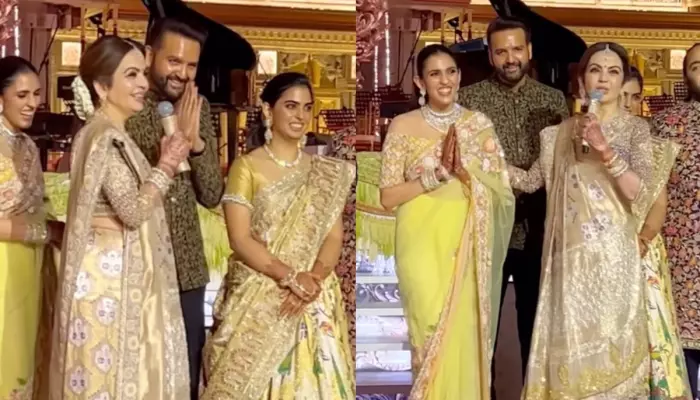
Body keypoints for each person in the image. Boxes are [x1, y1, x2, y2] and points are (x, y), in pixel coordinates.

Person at [48, 35, 191, 399]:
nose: (143, 83)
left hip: (114, 276)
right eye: (130, 75)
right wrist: (167, 165)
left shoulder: (112, 135)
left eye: (142, 73)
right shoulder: (104, 138)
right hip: (107, 283)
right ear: (101, 87)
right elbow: (133, 210)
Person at [508, 42, 654, 398]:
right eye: (595, 70)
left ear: (622, 82)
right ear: (580, 81)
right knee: (570, 359)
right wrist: (483, 159)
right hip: (569, 263)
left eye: (613, 71)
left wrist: (605, 149)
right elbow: (530, 181)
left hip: (614, 262)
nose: (603, 78)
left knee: (612, 355)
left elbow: (640, 192)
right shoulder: (555, 135)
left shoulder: (635, 130)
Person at [201, 72, 355, 399]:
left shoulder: (325, 171)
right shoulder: (247, 167)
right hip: (262, 294)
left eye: (307, 107)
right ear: (268, 110)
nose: (300, 115)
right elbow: (240, 239)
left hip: (313, 297)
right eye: (291, 106)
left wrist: (312, 279)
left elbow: (332, 237)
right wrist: (290, 277)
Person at [380, 44, 515, 399]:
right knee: (428, 333)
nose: (445, 81)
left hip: (467, 244)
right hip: (420, 245)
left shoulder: (478, 125)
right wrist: (437, 174)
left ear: (459, 76)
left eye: (451, 72)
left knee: (464, 335)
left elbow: (502, 193)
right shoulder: (403, 125)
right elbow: (388, 196)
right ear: (420, 82)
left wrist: (466, 174)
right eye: (435, 74)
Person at [457, 17, 569, 385]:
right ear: (489, 55)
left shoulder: (553, 100)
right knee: (481, 325)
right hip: (486, 228)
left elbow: (562, 166)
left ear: (530, 51)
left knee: (535, 327)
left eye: (517, 49)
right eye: (501, 51)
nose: (510, 58)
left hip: (537, 229)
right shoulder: (469, 101)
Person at [125, 18, 224, 399]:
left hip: (187, 269)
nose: (182, 73)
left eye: (191, 65)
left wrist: (196, 144)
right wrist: (169, 147)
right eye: (174, 61)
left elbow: (211, 194)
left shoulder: (198, 107)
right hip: (141, 264)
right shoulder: (126, 105)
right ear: (150, 55)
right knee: (142, 375)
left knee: (186, 373)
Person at [0, 56, 61, 399]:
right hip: (3, 268)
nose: (32, 103)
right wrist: (43, 233)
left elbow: (39, 206)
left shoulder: (27, 146)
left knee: (26, 357)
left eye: (36, 94)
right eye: (22, 95)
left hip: (31, 266)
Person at [652, 42, 700, 399]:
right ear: (686, 76)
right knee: (680, 366)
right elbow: (650, 192)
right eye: (696, 66)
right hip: (681, 256)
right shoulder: (666, 124)